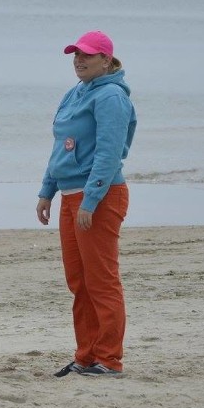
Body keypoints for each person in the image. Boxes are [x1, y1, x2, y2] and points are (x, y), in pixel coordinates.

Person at [37, 31, 136, 377]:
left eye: (88, 56)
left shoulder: (110, 96)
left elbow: (109, 154)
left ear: (106, 60)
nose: (79, 60)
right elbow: (61, 144)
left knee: (101, 280)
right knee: (79, 281)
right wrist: (47, 190)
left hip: (100, 196)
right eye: (76, 55)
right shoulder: (74, 93)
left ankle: (109, 359)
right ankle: (86, 355)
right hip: (70, 196)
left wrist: (91, 200)